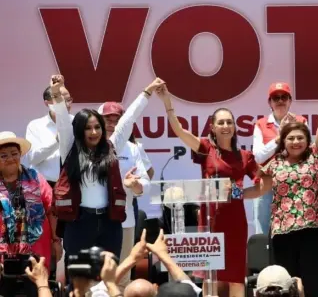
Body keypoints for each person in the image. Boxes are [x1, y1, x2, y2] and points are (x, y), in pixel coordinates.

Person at [157, 84, 271, 297]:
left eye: (229, 122)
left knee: (235, 278)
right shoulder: (205, 149)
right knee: (211, 278)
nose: (226, 126)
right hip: (210, 221)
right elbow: (180, 132)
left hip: (235, 222)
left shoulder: (244, 156)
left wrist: (239, 194)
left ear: (235, 127)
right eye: (221, 122)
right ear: (213, 126)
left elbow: (265, 183)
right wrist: (168, 104)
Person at [50, 74, 162, 270]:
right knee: (79, 279)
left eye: (97, 127)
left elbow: (128, 119)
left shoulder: (112, 147)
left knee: (109, 276)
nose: (94, 132)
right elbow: (62, 121)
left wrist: (148, 91)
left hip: (109, 223)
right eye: (88, 128)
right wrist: (57, 95)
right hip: (79, 222)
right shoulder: (70, 148)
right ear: (79, 131)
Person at [261, 77, 318, 297]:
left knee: (315, 285)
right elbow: (258, 186)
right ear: (283, 141)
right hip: (283, 234)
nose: (296, 142)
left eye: (301, 137)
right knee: (284, 287)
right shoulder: (276, 162)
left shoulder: (315, 156)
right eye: (290, 138)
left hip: (312, 231)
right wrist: (232, 194)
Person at [97, 101, 151, 289]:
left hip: (124, 221)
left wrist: (136, 186)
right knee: (95, 277)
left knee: (123, 276)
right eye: (107, 119)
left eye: (117, 120)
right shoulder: (87, 147)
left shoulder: (133, 148)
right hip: (92, 220)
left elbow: (145, 182)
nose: (112, 124)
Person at [0, 132, 60, 297]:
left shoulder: (35, 178)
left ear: (20, 155)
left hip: (36, 249)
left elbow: (51, 210)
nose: (10, 158)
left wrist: (56, 241)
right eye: (3, 155)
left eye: (14, 154)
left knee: (35, 290)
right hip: (2, 254)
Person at [252, 82, 307, 235]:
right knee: (262, 231)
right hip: (266, 183)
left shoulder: (301, 122)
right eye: (276, 98)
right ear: (270, 102)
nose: (280, 101)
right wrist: (278, 138)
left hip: (294, 183)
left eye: (284, 97)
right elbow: (257, 157)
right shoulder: (261, 124)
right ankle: (263, 259)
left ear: (290, 100)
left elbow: (306, 152)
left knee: (294, 228)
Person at [24, 85, 74, 188]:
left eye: (69, 100)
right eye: (60, 100)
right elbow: (33, 158)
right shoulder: (35, 126)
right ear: (47, 103)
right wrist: (56, 141)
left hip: (72, 184)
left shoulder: (76, 122)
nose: (67, 105)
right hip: (44, 185)